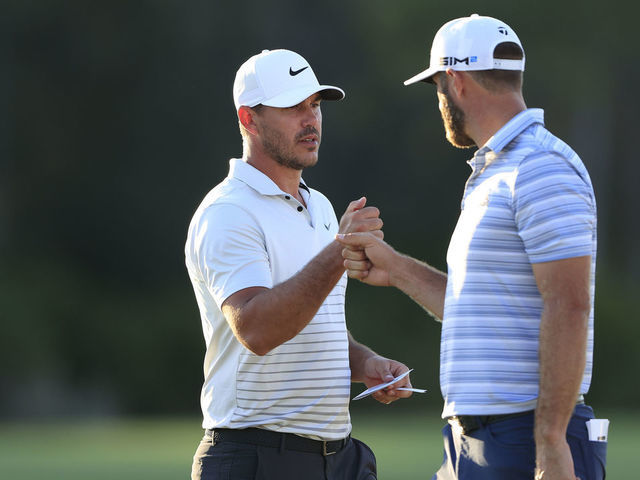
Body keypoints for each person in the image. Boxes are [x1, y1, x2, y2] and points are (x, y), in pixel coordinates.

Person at [336, 14, 606, 480]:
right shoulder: (494, 170)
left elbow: (570, 305)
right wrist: (398, 269)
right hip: (474, 440)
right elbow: (479, 307)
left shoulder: (539, 166)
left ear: (455, 82)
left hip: (527, 438)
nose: (438, 99)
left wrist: (551, 441)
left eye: (437, 86)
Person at [184, 48, 413, 480]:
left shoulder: (321, 206)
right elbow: (256, 328)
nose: (311, 119)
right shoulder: (228, 211)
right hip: (255, 455)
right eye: (293, 107)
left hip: (337, 456)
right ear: (249, 118)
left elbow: (314, 323)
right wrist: (338, 250)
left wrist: (364, 364)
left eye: (315, 105)